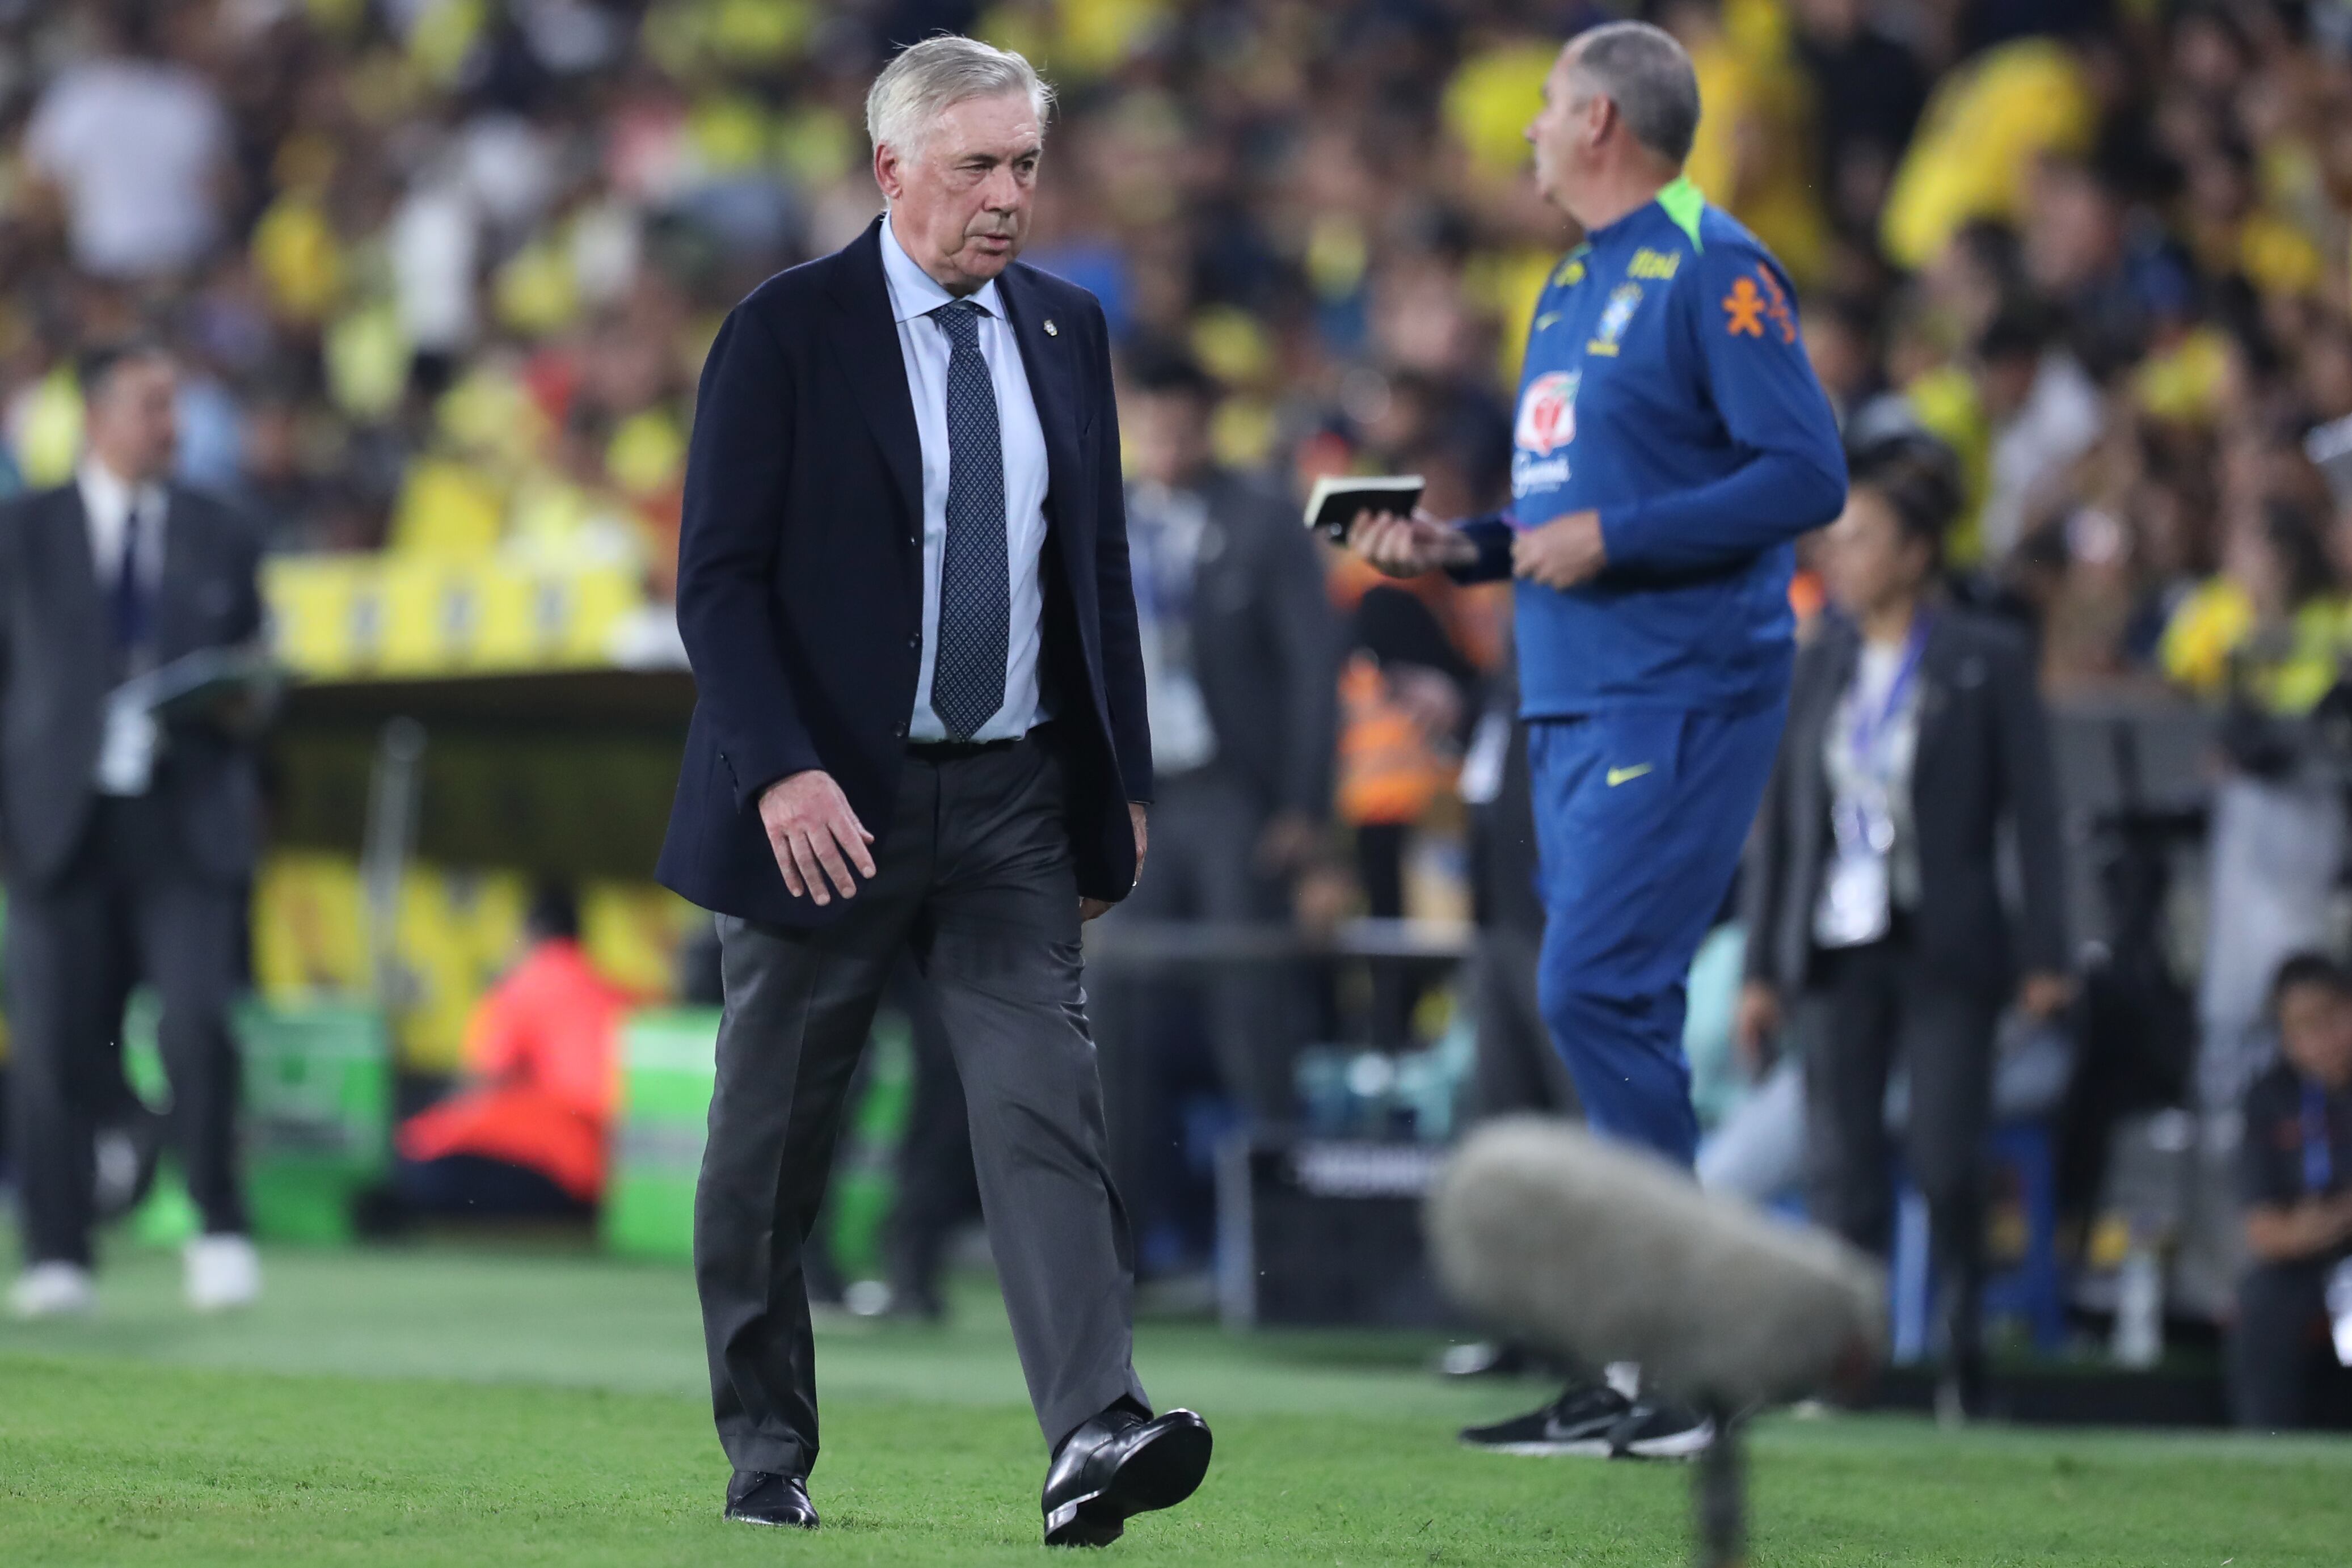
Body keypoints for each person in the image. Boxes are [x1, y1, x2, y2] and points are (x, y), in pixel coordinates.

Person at [652, 36, 1211, 1545]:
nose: (1010, 195)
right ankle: (765, 1444)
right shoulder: (784, 332)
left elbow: (1091, 573)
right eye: (978, 164)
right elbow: (716, 583)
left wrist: (1121, 783)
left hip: (1012, 798)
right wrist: (779, 771)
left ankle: (1093, 1428)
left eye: (1027, 162)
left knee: (1046, 1110)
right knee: (772, 1147)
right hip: (828, 804)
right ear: (892, 167)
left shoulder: (1066, 331)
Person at [1347, 20, 1847, 1458]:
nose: (1525, 133)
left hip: (1675, 684)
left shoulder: (1714, 260)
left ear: (1607, 122)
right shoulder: (1566, 283)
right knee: (1596, 1009)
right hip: (1566, 690)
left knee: (1592, 987)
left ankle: (1695, 1351)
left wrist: (1613, 534)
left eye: (1549, 110)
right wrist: (1462, 545)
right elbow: (1566, 508)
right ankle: (1633, 1362)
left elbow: (1805, 471)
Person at [1736, 437, 2070, 1418]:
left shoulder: (1986, 657)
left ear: (1919, 552)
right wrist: (1762, 965)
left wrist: (2046, 950)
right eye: (1836, 541)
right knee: (1840, 1168)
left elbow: (2035, 816)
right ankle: (1847, 1365)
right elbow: (1786, 823)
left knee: (1943, 1157)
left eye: (1862, 539)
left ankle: (1965, 1353)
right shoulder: (1821, 660)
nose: (1840, 558)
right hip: (1838, 945)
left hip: (1947, 943)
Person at [4, 340, 269, 1319]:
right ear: (97, 417)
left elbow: (254, 666)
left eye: (177, 405)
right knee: (56, 1043)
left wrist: (248, 700)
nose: (173, 425)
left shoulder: (224, 529)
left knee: (199, 1022)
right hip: (54, 825)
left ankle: (218, 1222)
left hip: (184, 817)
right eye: (153, 406)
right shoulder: (21, 532)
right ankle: (58, 1247)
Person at [1091, 347, 1339, 1253]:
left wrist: (1305, 810)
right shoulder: (1102, 516)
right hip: (1135, 803)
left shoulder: (1263, 517)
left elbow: (1315, 671)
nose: (1167, 434)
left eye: (1181, 417)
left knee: (1253, 1015)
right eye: (1152, 417)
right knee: (1114, 1014)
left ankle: (1291, 1251)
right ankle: (1120, 1257)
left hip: (1231, 796)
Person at [386, 883, 627, 1221]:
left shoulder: (522, 986)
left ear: (529, 932)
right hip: (616, 1168)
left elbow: (479, 1087)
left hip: (566, 1160)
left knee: (417, 1166)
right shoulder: (614, 990)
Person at [2233, 952, 2352, 1430]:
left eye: (2329, 1020)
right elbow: (2263, 1231)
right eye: (2300, 1027)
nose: (2317, 1040)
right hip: (2306, 1261)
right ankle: (2265, 1449)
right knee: (2260, 1299)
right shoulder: (2270, 1097)